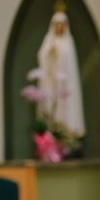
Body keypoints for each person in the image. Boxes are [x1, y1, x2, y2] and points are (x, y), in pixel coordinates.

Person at [36, 7, 84, 137]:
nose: (59, 27)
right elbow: (42, 56)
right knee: (51, 109)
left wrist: (60, 54)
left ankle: (67, 132)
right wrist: (51, 52)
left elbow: (70, 62)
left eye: (61, 25)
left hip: (64, 83)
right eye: (56, 25)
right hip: (52, 82)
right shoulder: (49, 40)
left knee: (65, 108)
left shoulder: (68, 41)